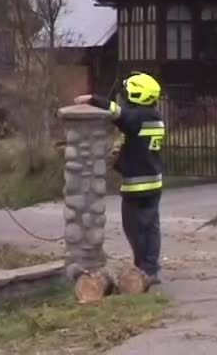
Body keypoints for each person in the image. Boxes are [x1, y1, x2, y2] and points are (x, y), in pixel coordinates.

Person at [82, 71, 165, 287]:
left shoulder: (137, 118)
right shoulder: (155, 118)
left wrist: (93, 99)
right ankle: (151, 268)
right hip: (154, 183)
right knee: (151, 227)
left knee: (134, 228)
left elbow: (117, 113)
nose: (125, 98)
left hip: (136, 187)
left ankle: (142, 269)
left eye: (128, 94)